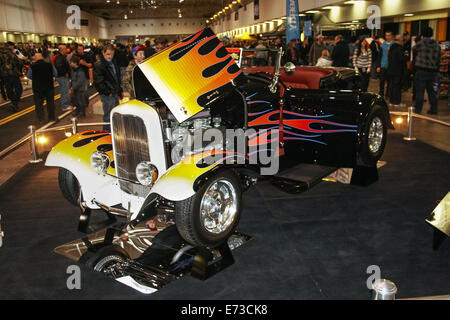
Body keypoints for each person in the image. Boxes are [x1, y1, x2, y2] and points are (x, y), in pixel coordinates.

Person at [93, 44, 123, 130]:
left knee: (114, 114)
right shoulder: (99, 65)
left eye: (112, 54)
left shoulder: (114, 63)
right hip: (108, 94)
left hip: (114, 92)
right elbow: (98, 82)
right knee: (108, 115)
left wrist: (119, 91)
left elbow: (117, 78)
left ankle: (114, 132)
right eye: (108, 54)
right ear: (103, 53)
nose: (110, 56)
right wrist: (108, 92)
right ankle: (106, 133)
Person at [413, 27, 441, 115]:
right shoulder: (437, 45)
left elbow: (413, 49)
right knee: (431, 91)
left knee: (420, 91)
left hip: (421, 70)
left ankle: (418, 110)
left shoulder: (421, 44)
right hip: (432, 71)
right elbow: (439, 58)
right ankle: (434, 109)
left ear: (422, 35)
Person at [27, 53, 57, 123]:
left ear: (35, 59)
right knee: (50, 103)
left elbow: (29, 75)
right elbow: (55, 73)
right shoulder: (50, 65)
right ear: (42, 58)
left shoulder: (32, 66)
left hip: (37, 88)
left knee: (39, 104)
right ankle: (51, 118)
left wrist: (35, 78)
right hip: (49, 86)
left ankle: (41, 119)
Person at [2, 42, 24, 112]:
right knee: (19, 89)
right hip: (13, 74)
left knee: (9, 90)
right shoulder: (12, 54)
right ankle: (14, 103)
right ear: (10, 46)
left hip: (4, 75)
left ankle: (13, 102)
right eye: (13, 46)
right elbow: (19, 63)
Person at [387, 34, 407, 106]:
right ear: (401, 41)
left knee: (392, 86)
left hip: (391, 70)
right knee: (397, 87)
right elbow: (401, 59)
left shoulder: (392, 47)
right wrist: (406, 56)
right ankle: (397, 102)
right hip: (397, 71)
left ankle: (392, 101)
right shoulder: (400, 48)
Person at [376, 31, 394, 98]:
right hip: (383, 65)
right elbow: (379, 56)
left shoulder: (393, 45)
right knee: (382, 81)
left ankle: (388, 94)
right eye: (386, 35)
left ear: (391, 36)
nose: (387, 37)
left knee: (389, 81)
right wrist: (378, 66)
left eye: (389, 35)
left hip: (390, 66)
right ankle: (381, 93)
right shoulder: (383, 45)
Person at [54, 44, 71, 111]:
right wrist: (65, 73)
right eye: (65, 49)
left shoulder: (61, 57)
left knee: (65, 90)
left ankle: (65, 104)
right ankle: (65, 105)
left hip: (62, 76)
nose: (66, 50)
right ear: (62, 50)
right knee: (65, 91)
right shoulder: (59, 58)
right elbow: (59, 67)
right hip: (62, 77)